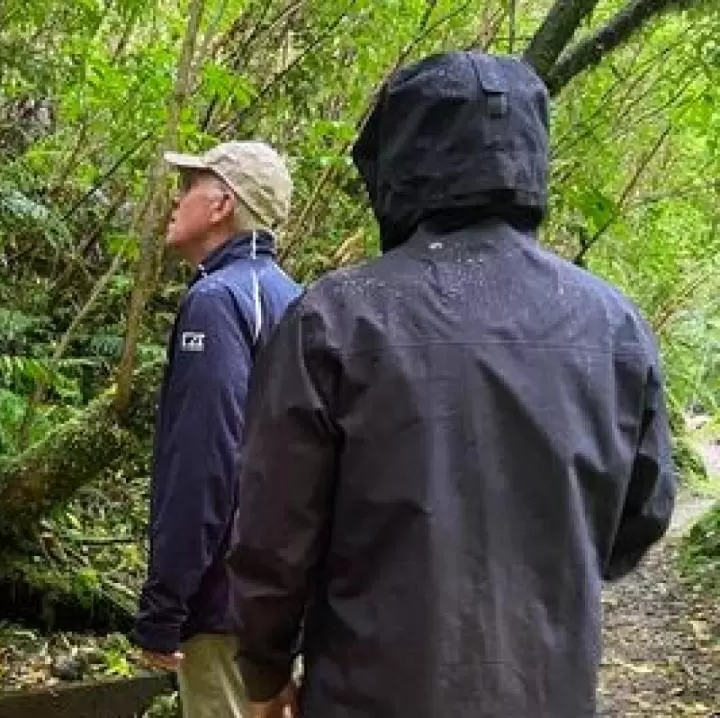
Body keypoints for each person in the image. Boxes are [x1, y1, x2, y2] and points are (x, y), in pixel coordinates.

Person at [227, 51, 676, 718]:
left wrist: (263, 673)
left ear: (400, 157)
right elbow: (642, 513)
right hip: (546, 690)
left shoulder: (336, 317)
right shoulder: (614, 325)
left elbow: (273, 534)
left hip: (370, 691)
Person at [131, 141, 302, 718]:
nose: (174, 203)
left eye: (188, 188)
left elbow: (204, 460)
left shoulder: (217, 300)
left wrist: (166, 604)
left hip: (225, 593)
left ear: (222, 204)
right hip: (285, 589)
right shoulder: (295, 298)